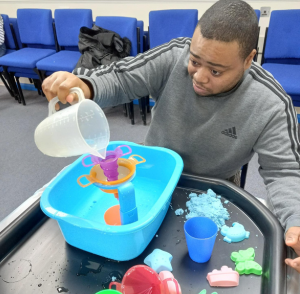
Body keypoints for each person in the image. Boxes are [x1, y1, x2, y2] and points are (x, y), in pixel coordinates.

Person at [42, 0, 300, 273]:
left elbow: (284, 171)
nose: (198, 77)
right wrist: (86, 84)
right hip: (151, 175)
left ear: (249, 60)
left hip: (213, 188)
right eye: (195, 61)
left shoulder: (270, 102)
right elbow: (121, 78)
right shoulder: (174, 54)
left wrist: (296, 220)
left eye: (215, 71)